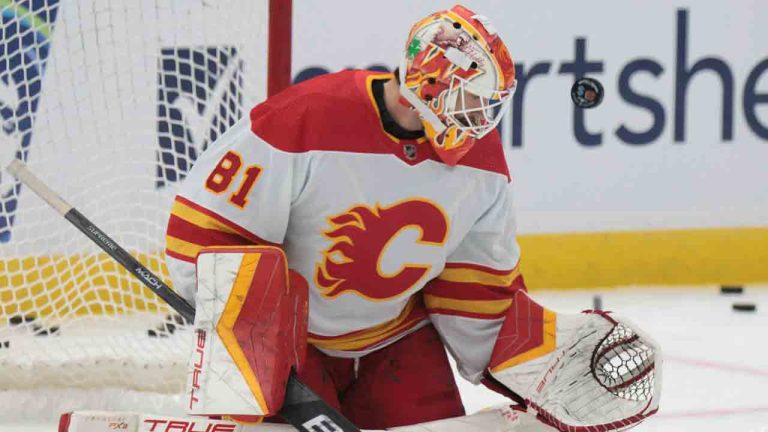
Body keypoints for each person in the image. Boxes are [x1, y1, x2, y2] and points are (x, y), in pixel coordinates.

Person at [165, 4, 522, 429]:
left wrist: (526, 372)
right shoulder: (305, 118)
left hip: (396, 342)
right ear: (432, 82)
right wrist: (247, 338)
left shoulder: (481, 162)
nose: (482, 118)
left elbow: (478, 288)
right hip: (291, 346)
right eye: (473, 99)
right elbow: (206, 232)